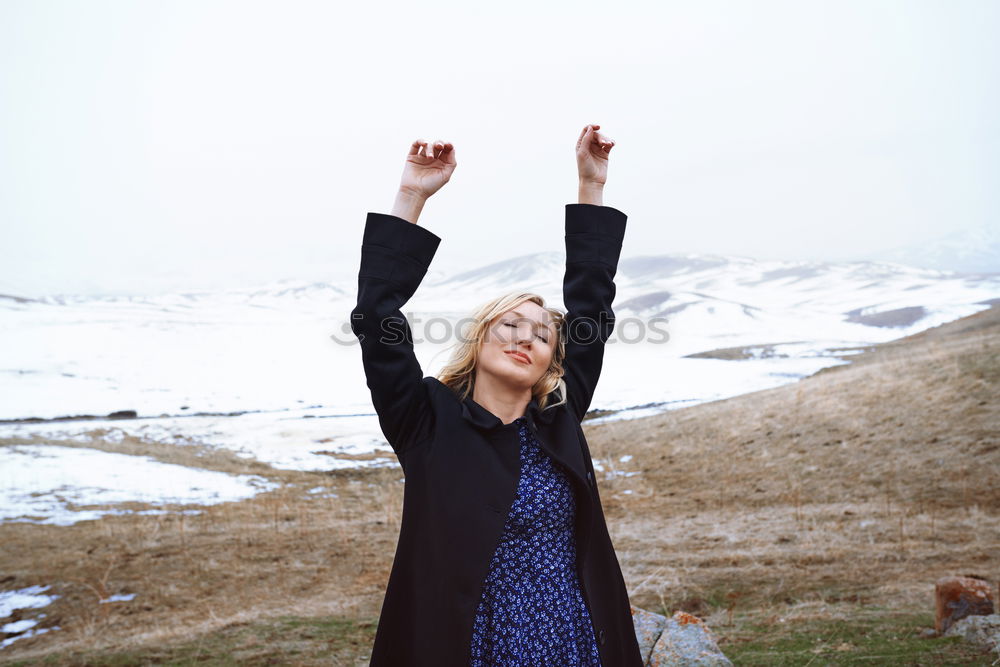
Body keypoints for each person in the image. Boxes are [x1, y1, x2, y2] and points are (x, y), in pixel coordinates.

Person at [350, 124, 644, 666]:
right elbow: (377, 317)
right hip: (468, 647)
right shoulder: (425, 421)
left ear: (551, 363)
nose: (524, 337)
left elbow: (591, 309)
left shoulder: (559, 419)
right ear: (481, 335)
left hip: (571, 644)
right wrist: (412, 194)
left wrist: (591, 185)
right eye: (510, 324)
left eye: (541, 334)